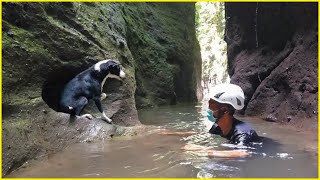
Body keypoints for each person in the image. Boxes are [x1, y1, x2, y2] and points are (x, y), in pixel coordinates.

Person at [159, 83, 259, 158]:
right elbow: (204, 134)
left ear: (224, 110)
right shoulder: (217, 126)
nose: (209, 108)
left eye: (212, 105)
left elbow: (243, 153)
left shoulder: (243, 132)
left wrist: (203, 150)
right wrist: (174, 133)